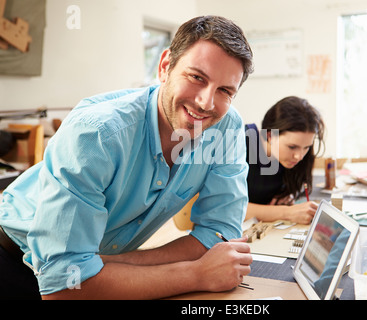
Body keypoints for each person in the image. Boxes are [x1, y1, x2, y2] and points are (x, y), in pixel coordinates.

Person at [0, 15, 254, 300]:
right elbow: (64, 285)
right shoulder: (96, 133)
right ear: (165, 66)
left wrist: (108, 266)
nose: (206, 103)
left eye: (225, 91)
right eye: (197, 77)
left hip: (98, 266)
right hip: (14, 260)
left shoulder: (226, 126)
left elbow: (219, 235)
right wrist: (195, 274)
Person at [244, 96, 325, 225]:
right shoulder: (241, 144)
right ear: (270, 135)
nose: (299, 156)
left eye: (306, 147)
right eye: (292, 147)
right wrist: (287, 212)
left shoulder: (291, 158)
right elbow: (228, 208)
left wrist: (286, 195)